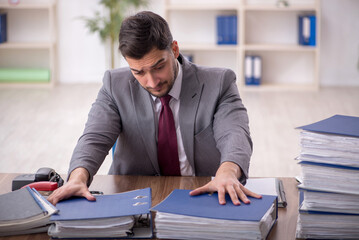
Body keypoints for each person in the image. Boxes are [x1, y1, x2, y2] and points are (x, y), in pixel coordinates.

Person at [48, 11, 261, 206]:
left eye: (158, 67)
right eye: (138, 72)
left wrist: (227, 172)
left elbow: (235, 133)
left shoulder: (219, 82)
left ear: (174, 50)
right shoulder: (115, 85)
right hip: (132, 196)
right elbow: (94, 137)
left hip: (203, 194)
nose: (151, 82)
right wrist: (77, 178)